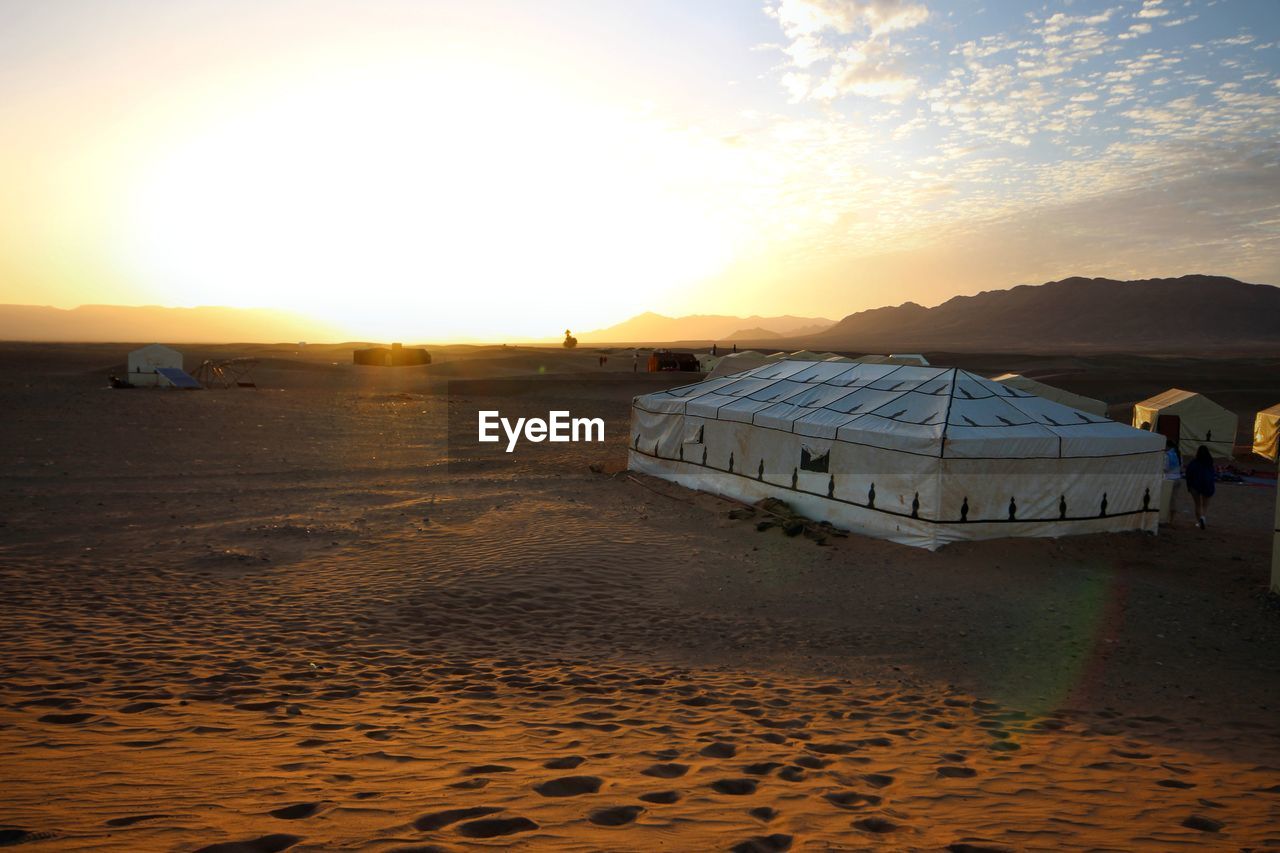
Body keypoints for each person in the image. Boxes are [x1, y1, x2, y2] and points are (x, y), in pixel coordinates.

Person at [1184, 444, 1216, 529]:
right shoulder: (1210, 462)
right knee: (1205, 505)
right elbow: (1212, 474)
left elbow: (1188, 473)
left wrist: (1189, 485)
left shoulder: (1194, 462)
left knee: (1197, 504)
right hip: (1207, 484)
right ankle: (1203, 517)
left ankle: (1199, 521)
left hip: (1195, 485)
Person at [1160, 438, 1182, 526]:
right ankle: (1172, 519)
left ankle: (1164, 519)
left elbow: (1165, 468)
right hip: (1178, 478)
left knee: (1165, 500)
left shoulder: (1167, 455)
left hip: (1169, 479)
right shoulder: (1178, 454)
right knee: (1174, 500)